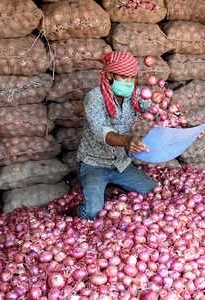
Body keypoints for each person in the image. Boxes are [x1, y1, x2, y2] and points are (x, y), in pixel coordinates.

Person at [75, 51, 157, 220]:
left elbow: (157, 109)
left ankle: (110, 188)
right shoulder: (94, 98)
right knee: (93, 212)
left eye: (132, 78)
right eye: (124, 77)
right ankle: (87, 196)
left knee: (152, 191)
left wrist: (178, 117)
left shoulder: (134, 96)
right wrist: (126, 141)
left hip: (121, 164)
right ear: (111, 75)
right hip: (94, 164)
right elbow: (101, 132)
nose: (128, 82)